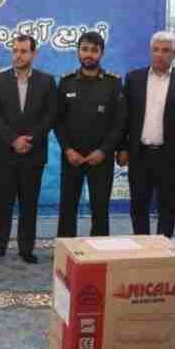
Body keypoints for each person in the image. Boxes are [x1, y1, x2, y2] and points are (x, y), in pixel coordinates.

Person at [0, 35, 57, 264]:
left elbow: (51, 115)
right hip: (5, 153)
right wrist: (14, 140)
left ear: (34, 54)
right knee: (2, 204)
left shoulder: (46, 81)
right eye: (15, 50)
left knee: (29, 204)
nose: (18, 55)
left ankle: (26, 249)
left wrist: (30, 139)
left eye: (23, 51)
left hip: (33, 154)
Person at [116, 30, 175, 238]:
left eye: (165, 50)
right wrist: (122, 147)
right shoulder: (134, 79)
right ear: (150, 51)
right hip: (139, 154)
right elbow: (124, 117)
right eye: (156, 50)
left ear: (174, 54)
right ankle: (142, 246)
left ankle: (164, 247)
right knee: (138, 205)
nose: (159, 54)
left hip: (169, 156)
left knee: (167, 207)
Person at [54, 31, 127, 238]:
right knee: (67, 207)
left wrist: (104, 151)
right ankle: (65, 249)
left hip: (101, 158)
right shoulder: (66, 82)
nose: (89, 54)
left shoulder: (113, 83)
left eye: (94, 50)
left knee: (100, 208)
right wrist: (68, 149)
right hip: (72, 157)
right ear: (78, 51)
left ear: (101, 53)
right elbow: (58, 121)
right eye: (85, 49)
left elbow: (120, 122)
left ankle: (99, 250)